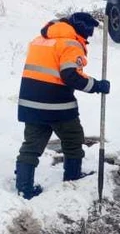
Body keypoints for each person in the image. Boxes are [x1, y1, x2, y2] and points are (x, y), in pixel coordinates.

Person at [14, 12, 110, 199]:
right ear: (82, 28)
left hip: (31, 104)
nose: (88, 38)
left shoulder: (41, 40)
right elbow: (70, 76)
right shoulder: (71, 43)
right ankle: (72, 180)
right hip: (57, 104)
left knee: (31, 146)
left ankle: (24, 188)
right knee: (73, 139)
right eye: (88, 33)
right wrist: (97, 86)